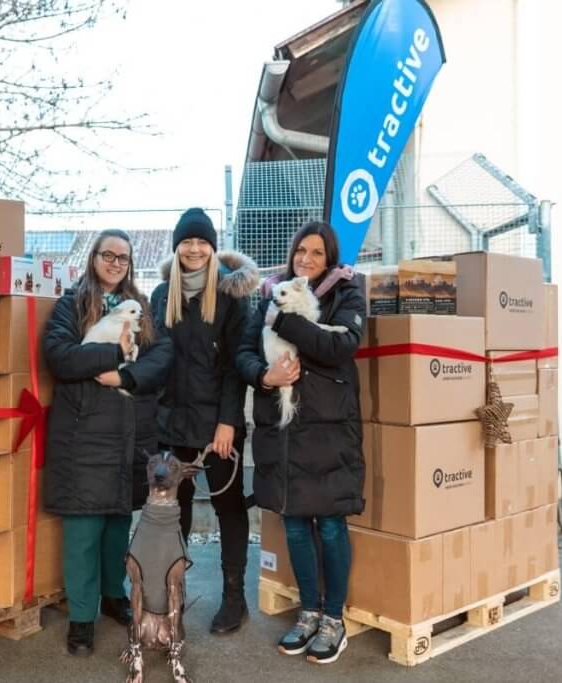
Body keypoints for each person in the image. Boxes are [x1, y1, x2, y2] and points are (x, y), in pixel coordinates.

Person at [236, 221, 367, 665]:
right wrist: (264, 375)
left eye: (316, 252)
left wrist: (286, 320)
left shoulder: (346, 292)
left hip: (328, 430)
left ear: (329, 258)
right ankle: (308, 611)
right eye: (300, 252)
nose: (307, 259)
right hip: (283, 429)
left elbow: (341, 346)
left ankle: (334, 618)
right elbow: (243, 352)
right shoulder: (270, 294)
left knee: (330, 525)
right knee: (294, 524)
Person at [42, 229, 172, 657]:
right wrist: (111, 354)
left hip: (127, 428)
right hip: (83, 432)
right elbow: (59, 356)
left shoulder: (143, 306)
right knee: (83, 527)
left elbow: (161, 355)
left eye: (123, 258)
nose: (116, 263)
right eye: (109, 255)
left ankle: (114, 595)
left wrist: (125, 376)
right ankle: (82, 617)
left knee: (118, 522)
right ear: (94, 258)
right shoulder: (71, 304)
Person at [150, 208, 259, 634]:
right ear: (176, 246)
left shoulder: (231, 296)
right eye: (187, 241)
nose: (194, 248)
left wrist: (229, 421)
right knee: (172, 512)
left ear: (213, 247)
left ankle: (234, 599)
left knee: (228, 506)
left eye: (202, 241)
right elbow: (157, 359)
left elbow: (236, 364)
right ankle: (170, 596)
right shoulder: (162, 295)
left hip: (218, 425)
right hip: (172, 425)